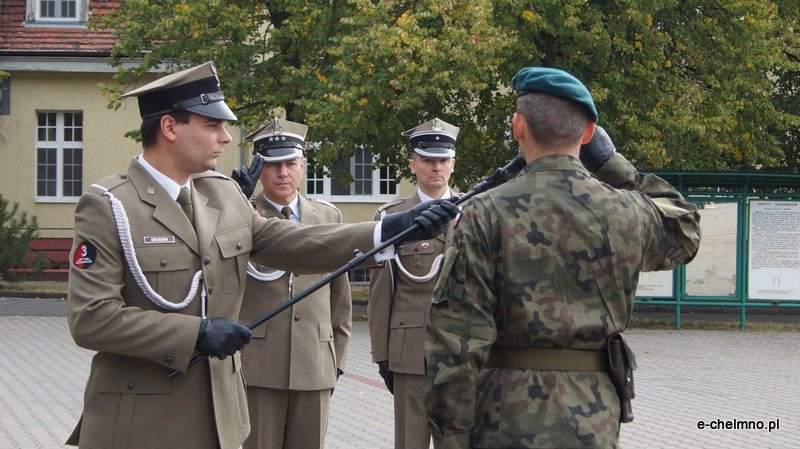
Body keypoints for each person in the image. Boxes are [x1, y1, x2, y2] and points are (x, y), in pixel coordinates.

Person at [65, 61, 458, 449]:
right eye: (212, 125)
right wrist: (196, 334)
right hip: (143, 421)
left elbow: (289, 242)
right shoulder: (110, 204)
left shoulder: (220, 195)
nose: (225, 137)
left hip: (220, 417)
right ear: (170, 127)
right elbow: (91, 318)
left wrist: (391, 228)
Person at [425, 67, 701, 449]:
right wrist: (614, 164)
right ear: (588, 134)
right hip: (593, 417)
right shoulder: (626, 210)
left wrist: (452, 434)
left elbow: (455, 338)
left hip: (504, 415)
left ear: (517, 126)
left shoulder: (484, 213)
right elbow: (684, 228)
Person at [238, 118, 351, 449]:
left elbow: (340, 299)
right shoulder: (239, 215)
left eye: (290, 163)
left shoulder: (328, 218)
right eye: (273, 165)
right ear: (259, 169)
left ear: (303, 166)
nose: (282, 173)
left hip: (314, 363)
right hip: (257, 365)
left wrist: (337, 362)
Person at [368, 117, 460, 449]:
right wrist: (382, 353)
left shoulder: (475, 213)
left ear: (453, 163)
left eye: (443, 159)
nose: (436, 166)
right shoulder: (392, 218)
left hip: (463, 353)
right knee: (411, 442)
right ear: (413, 164)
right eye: (427, 159)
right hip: (410, 352)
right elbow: (382, 291)